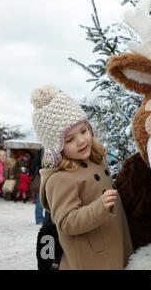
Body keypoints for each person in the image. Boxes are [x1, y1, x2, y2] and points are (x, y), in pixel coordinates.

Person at [31, 85, 133, 270]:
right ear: (56, 147)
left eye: (83, 131)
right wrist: (99, 208)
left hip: (115, 243)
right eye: (69, 139)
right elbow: (66, 222)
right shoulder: (60, 179)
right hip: (92, 258)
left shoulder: (97, 161)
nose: (81, 140)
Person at [29, 148, 44, 224]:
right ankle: (40, 219)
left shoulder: (40, 151)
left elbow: (34, 165)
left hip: (40, 175)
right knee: (41, 200)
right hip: (42, 176)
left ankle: (39, 219)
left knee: (40, 199)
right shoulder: (42, 151)